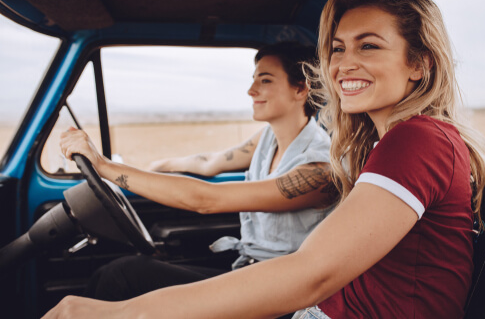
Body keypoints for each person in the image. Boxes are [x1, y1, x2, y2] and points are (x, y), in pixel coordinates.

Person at [44, 0, 485, 318]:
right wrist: (125, 169)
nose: (343, 63)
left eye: (369, 45)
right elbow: (202, 166)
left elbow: (308, 271)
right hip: (310, 302)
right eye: (337, 49)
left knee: (122, 286)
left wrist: (124, 313)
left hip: (306, 300)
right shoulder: (382, 146)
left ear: (419, 64)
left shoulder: (414, 141)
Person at [63, 42, 337, 303]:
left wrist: (105, 166)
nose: (251, 90)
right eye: (254, 79)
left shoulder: (319, 170)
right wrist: (159, 166)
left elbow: (207, 200)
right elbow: (210, 162)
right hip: (247, 273)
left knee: (122, 276)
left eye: (265, 80)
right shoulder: (267, 139)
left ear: (301, 89)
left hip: (280, 293)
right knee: (111, 275)